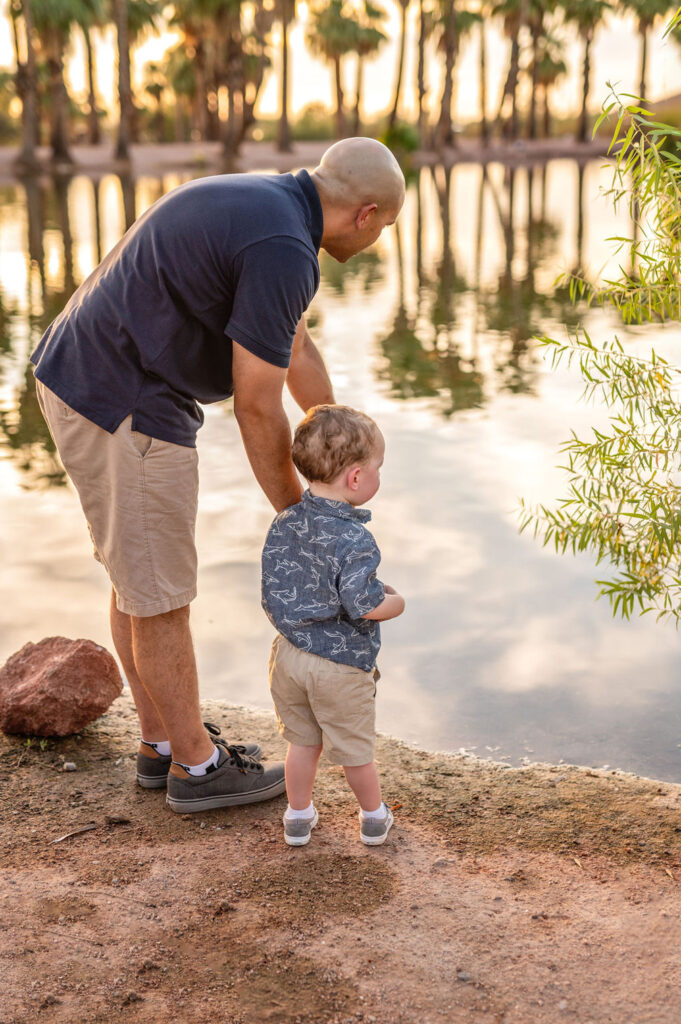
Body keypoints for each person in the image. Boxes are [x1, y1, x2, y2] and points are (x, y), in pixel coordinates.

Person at [30, 138, 405, 813]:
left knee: (139, 579)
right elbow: (256, 404)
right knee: (161, 595)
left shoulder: (271, 209)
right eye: (386, 228)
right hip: (122, 396)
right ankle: (197, 774)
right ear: (367, 213)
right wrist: (305, 524)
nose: (380, 239)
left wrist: (338, 437)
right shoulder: (283, 246)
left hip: (90, 377)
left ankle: (165, 745)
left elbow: (290, 343)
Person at [262, 405, 405, 846]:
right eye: (379, 467)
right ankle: (373, 818)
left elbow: (284, 584)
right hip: (338, 666)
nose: (380, 475)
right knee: (355, 751)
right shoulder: (355, 537)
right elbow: (363, 604)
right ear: (357, 478)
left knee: (303, 743)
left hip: (287, 656)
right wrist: (394, 603)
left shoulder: (285, 520)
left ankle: (298, 817)